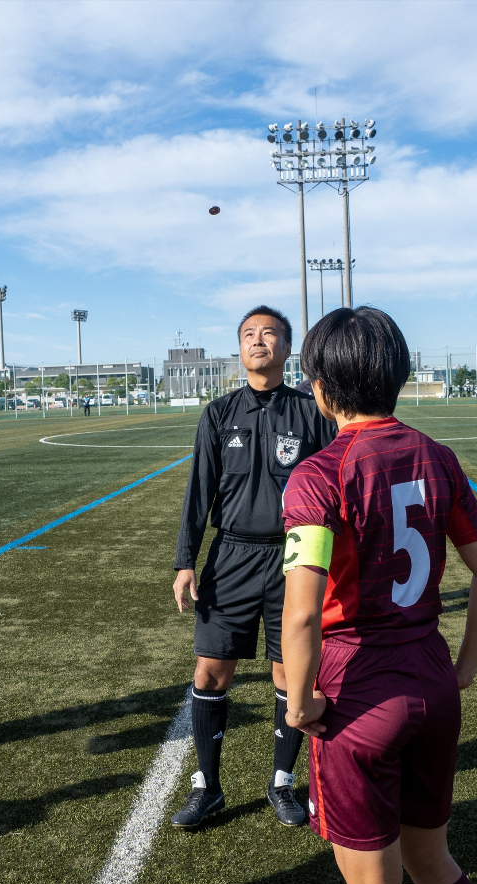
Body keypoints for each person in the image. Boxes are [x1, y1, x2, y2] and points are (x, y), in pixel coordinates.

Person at [279, 307, 477, 884]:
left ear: (319, 388)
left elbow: (298, 613)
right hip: (430, 676)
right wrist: (464, 670)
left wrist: (299, 705)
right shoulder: (437, 456)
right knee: (435, 861)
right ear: (401, 378)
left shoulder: (318, 476)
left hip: (359, 690)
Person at [171, 305, 338, 829]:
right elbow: (199, 491)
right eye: (249, 334)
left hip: (294, 556)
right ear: (239, 349)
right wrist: (185, 562)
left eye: (269, 334)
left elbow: (335, 484)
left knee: (290, 671)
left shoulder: (311, 412)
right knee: (210, 670)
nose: (258, 341)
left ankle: (282, 784)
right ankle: (208, 787)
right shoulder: (219, 414)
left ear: (288, 350)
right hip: (231, 555)